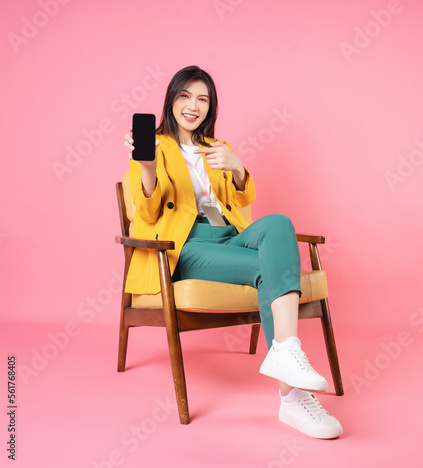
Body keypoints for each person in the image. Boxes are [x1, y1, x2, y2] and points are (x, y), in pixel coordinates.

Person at [123, 65, 343, 439]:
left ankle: (285, 352)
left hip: (227, 235)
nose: (194, 106)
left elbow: (242, 198)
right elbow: (146, 212)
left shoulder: (216, 149)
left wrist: (238, 168)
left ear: (211, 107)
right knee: (268, 269)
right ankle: (292, 399)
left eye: (203, 99)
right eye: (185, 96)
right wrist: (146, 168)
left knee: (278, 223)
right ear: (171, 100)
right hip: (186, 245)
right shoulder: (154, 147)